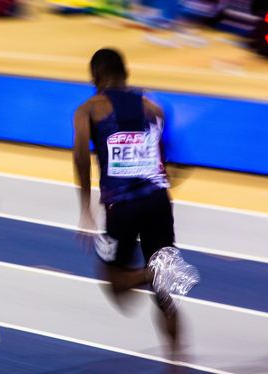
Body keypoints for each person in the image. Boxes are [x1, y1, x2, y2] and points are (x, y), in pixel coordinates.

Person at [72, 48, 195, 366]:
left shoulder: (89, 109)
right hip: (157, 202)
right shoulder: (153, 108)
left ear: (96, 77)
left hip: (121, 207)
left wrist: (85, 206)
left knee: (115, 285)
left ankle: (149, 273)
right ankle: (177, 364)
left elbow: (81, 157)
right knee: (165, 297)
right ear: (125, 75)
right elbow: (169, 160)